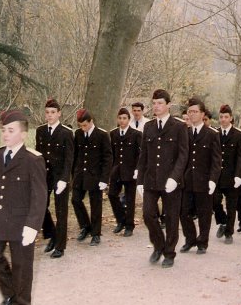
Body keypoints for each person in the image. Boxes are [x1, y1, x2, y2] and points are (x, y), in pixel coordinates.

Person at [0, 110, 47, 305]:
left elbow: (39, 196)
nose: (5, 134)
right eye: (4, 130)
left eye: (11, 130)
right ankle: (10, 293)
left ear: (23, 134)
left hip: (22, 223)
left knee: (22, 268)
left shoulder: (33, 160)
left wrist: (33, 225)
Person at [136, 89, 189, 268]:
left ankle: (169, 253)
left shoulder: (179, 126)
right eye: (154, 103)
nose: (156, 106)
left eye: (160, 103)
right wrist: (140, 180)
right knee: (148, 214)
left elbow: (183, 155)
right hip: (151, 179)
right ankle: (159, 245)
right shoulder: (149, 126)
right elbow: (144, 155)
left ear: (168, 105)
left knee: (172, 218)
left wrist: (175, 177)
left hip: (171, 181)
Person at [179, 98, 222, 254]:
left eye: (195, 111)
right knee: (183, 211)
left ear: (203, 114)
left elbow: (216, 161)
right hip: (187, 180)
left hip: (204, 180)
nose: (192, 114)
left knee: (204, 213)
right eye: (190, 111)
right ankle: (190, 239)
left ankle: (202, 242)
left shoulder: (212, 134)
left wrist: (213, 180)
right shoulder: (185, 133)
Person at [35, 98, 74, 258]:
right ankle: (52, 234)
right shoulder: (40, 131)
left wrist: (64, 179)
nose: (50, 115)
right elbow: (38, 154)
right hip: (45, 175)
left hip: (60, 176)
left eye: (53, 112)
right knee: (40, 206)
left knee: (61, 211)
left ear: (59, 114)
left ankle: (60, 246)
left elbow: (69, 159)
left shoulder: (66, 132)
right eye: (47, 112)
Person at [71, 109, 112, 246]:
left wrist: (104, 179)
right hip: (80, 175)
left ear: (91, 121)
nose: (83, 128)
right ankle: (85, 226)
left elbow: (107, 158)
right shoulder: (78, 134)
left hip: (95, 176)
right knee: (75, 200)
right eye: (80, 126)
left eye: (85, 125)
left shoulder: (102, 135)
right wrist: (73, 174)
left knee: (96, 205)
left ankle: (96, 234)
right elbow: (76, 155)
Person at [213, 104, 241, 244]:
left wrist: (238, 175)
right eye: (221, 117)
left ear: (231, 118)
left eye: (226, 117)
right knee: (214, 200)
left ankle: (228, 233)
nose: (223, 119)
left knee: (231, 206)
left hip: (232, 176)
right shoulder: (215, 133)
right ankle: (223, 221)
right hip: (217, 176)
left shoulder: (239, 135)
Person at [109, 108, 142, 237]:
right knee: (112, 195)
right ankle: (121, 220)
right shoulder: (113, 133)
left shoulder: (136, 134)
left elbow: (140, 154)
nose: (122, 121)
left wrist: (137, 169)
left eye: (124, 118)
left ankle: (129, 226)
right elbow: (111, 153)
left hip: (130, 171)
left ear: (129, 119)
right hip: (117, 171)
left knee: (129, 199)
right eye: (120, 118)